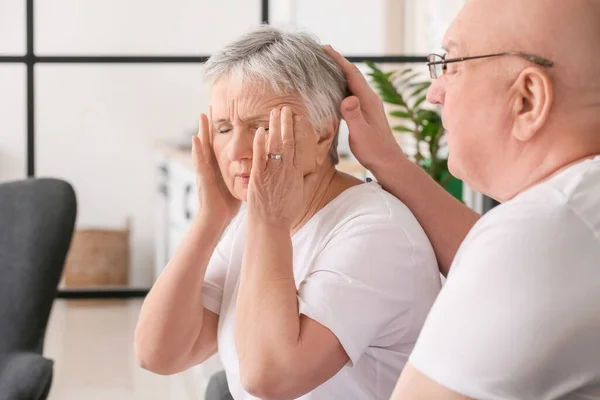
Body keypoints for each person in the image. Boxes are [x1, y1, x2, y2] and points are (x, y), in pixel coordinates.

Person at [134, 26, 442, 400]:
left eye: (262, 127)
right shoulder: (250, 221)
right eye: (224, 128)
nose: (235, 151)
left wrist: (269, 219)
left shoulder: (377, 235)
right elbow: (159, 353)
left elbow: (270, 379)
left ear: (324, 135)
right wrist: (209, 220)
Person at [325, 0, 600, 398]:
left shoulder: (544, 232)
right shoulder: (573, 217)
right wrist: (387, 159)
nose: (434, 93)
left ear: (527, 99)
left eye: (450, 65)